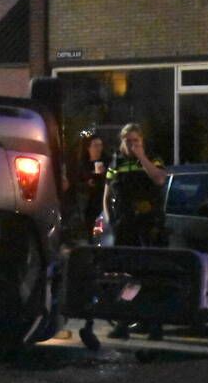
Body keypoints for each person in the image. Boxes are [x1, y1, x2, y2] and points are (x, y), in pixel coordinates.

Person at [103, 123, 168, 341]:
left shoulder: (152, 158)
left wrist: (142, 157)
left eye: (136, 141)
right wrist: (110, 219)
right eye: (128, 141)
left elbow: (159, 179)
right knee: (125, 275)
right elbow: (107, 192)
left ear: (142, 142)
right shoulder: (117, 161)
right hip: (125, 225)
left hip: (148, 226)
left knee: (150, 275)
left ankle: (155, 325)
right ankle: (123, 323)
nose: (132, 145)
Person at [72, 133, 107, 242]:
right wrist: (87, 184)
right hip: (86, 203)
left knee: (100, 231)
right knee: (89, 230)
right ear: (89, 148)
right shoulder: (83, 164)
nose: (98, 149)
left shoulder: (107, 161)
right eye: (95, 145)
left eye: (100, 145)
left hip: (101, 203)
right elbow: (75, 183)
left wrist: (104, 175)